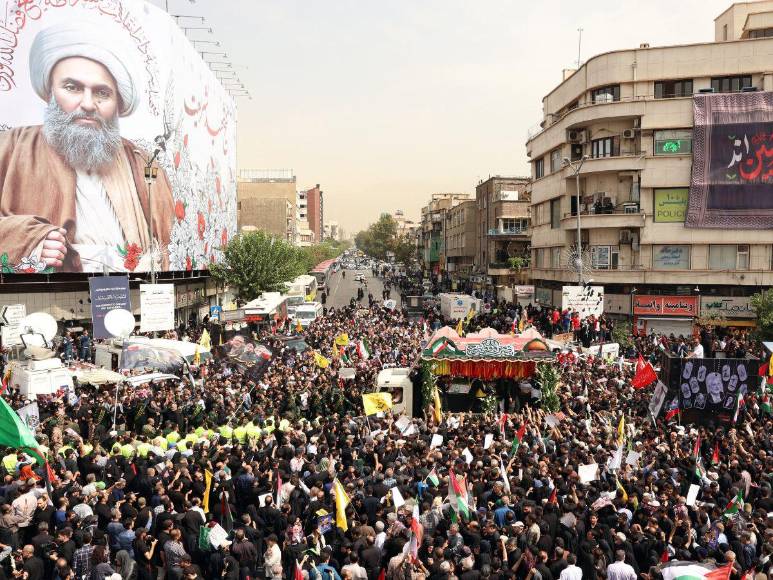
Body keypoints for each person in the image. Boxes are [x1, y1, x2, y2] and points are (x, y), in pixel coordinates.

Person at [0, 20, 174, 273]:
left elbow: (166, 243)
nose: (88, 104)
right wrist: (29, 240)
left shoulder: (144, 165)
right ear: (50, 91)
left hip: (131, 292)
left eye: (102, 93)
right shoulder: (10, 148)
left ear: (117, 103)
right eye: (72, 87)